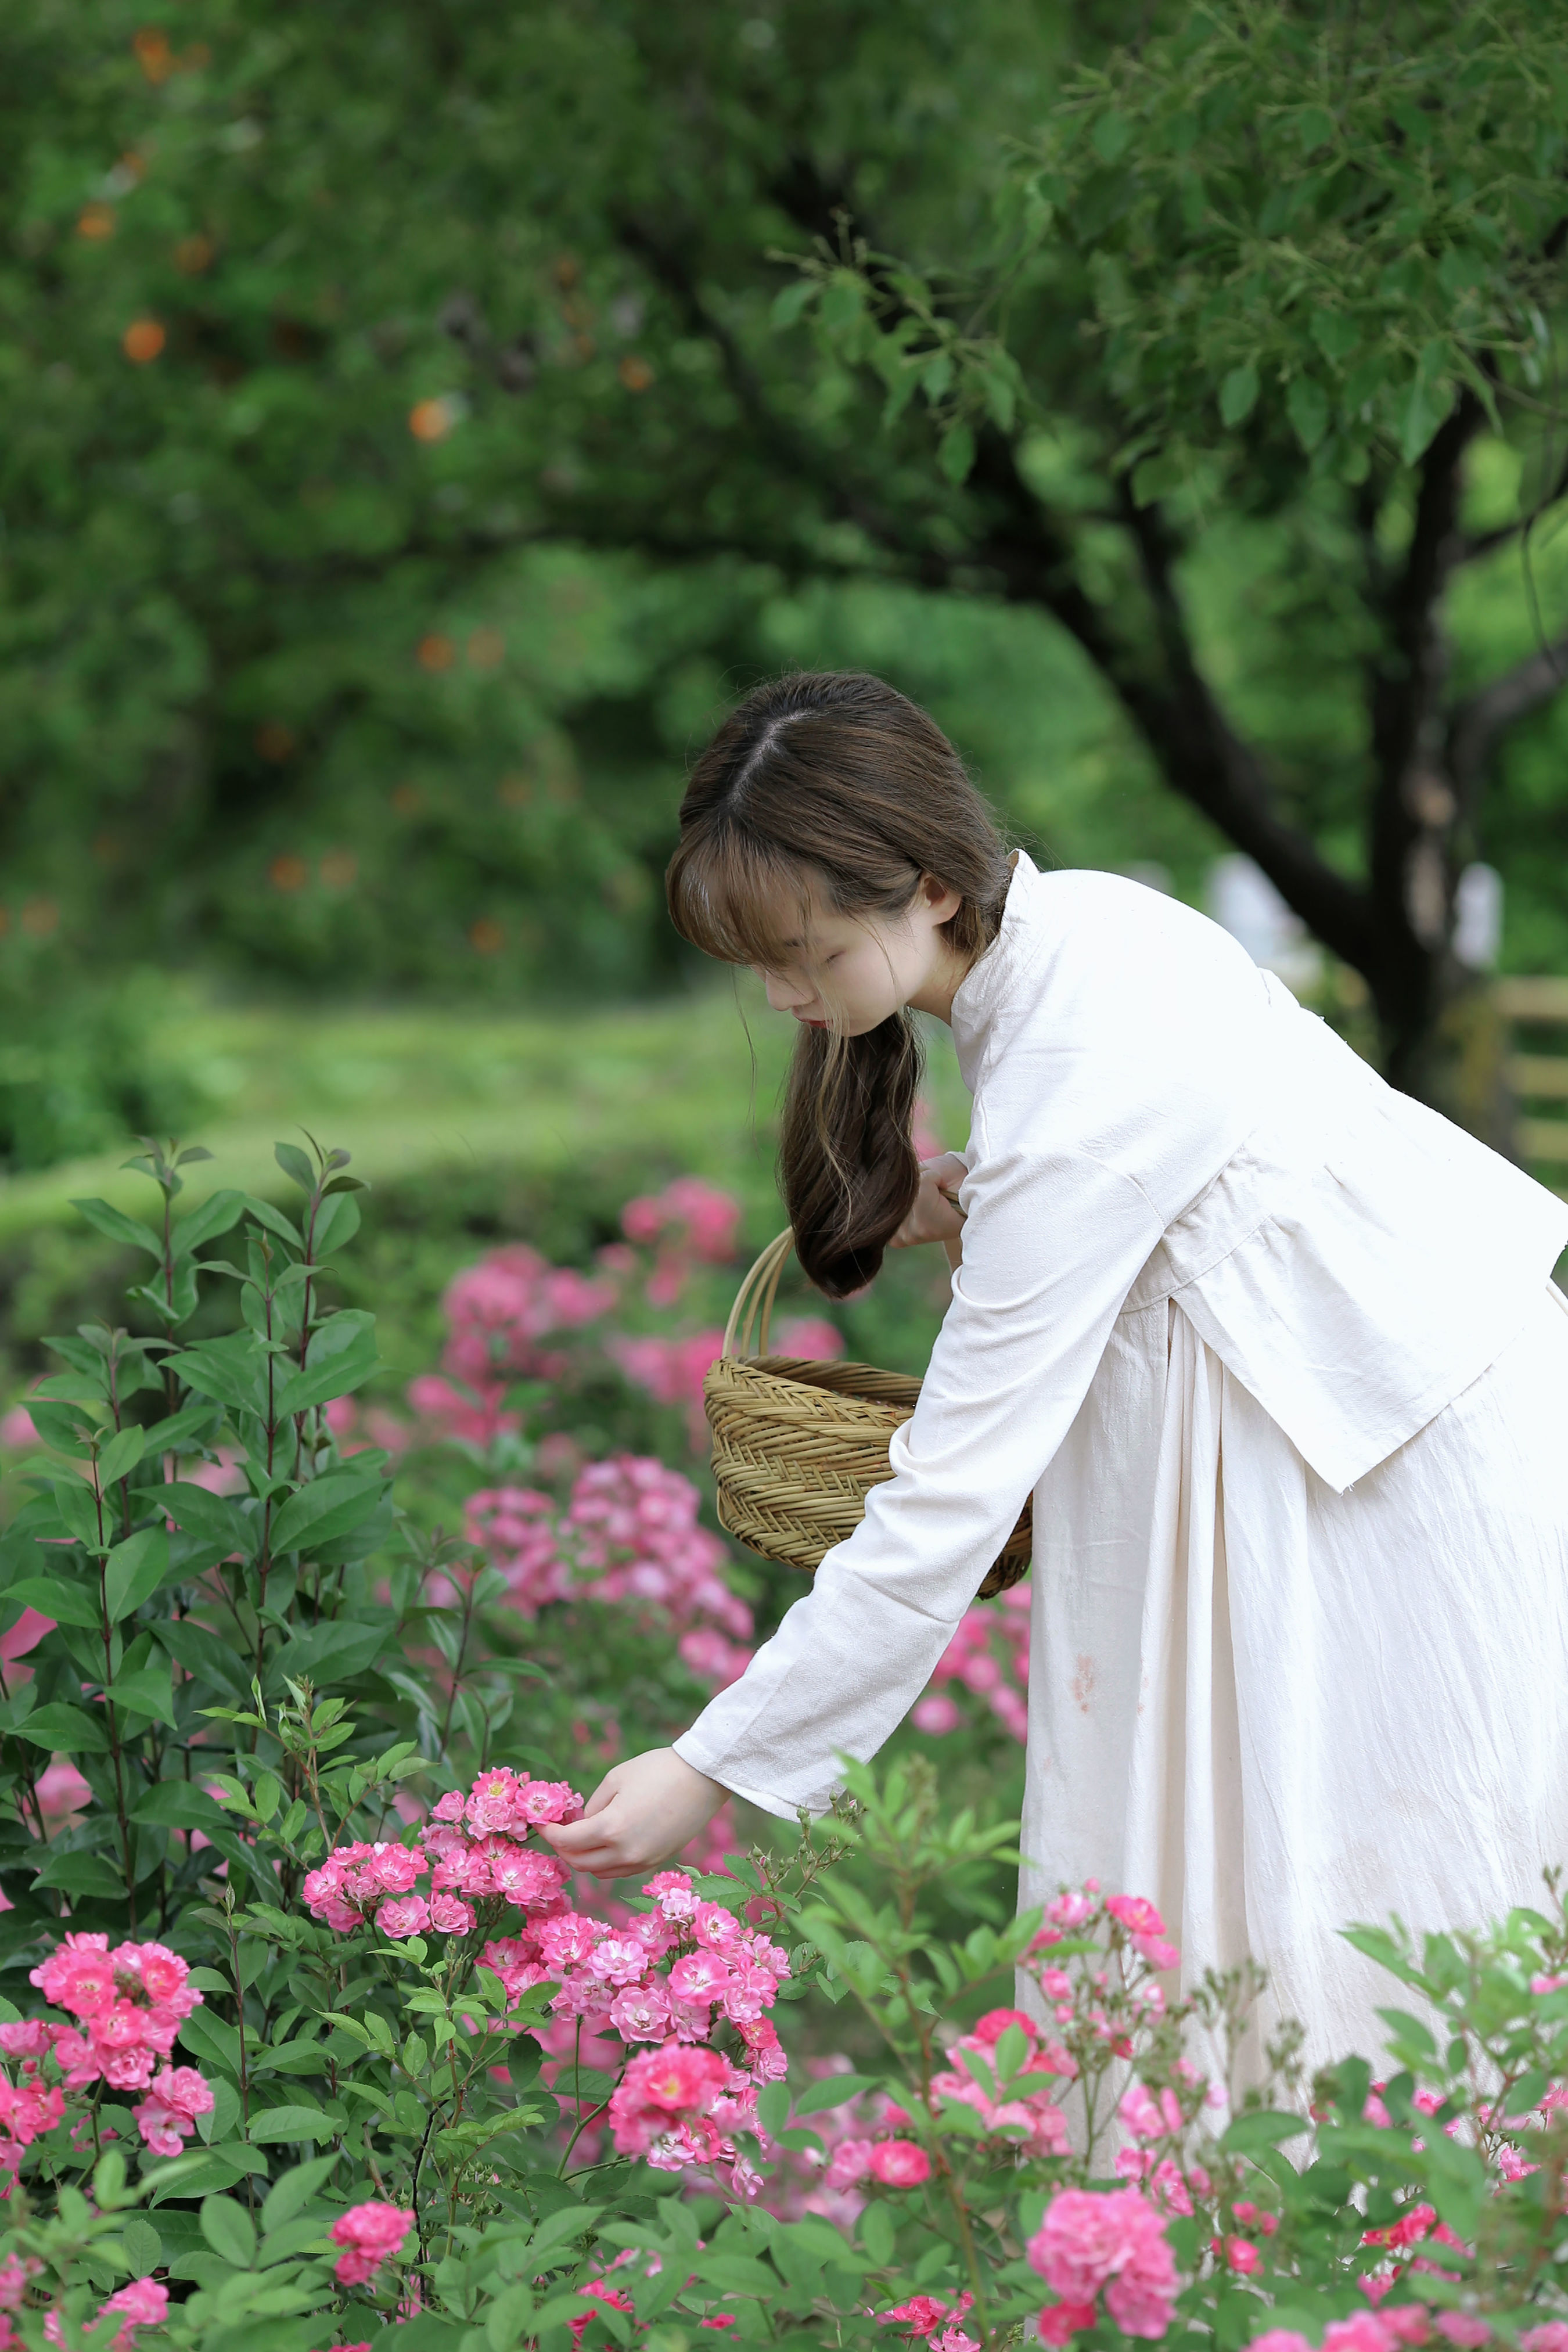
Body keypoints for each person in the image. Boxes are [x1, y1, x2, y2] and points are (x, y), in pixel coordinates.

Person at [542, 668, 1568, 2072]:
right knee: (1327, 1903)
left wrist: (714, 1763)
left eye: (805, 953)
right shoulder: (1085, 930)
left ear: (928, 892)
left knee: (1397, 1886)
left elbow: (950, 1491)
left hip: (1398, 1463)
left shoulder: (1085, 1045)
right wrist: (976, 1192)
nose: (783, 995)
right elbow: (1173, 1192)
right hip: (1353, 1425)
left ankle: (1414, 2270)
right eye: (762, 966)